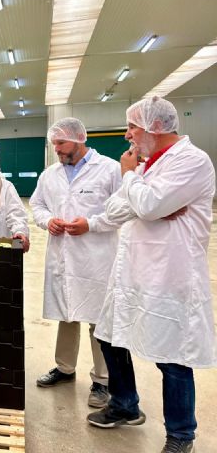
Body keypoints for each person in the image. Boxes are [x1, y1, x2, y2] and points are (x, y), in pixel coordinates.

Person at [88, 97, 216, 453]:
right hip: (132, 272)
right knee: (110, 336)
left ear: (155, 127)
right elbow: (116, 209)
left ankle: (180, 435)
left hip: (168, 275)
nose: (128, 135)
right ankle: (125, 405)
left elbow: (148, 205)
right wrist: (143, 198)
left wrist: (134, 185)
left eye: (133, 127)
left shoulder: (192, 161)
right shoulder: (148, 167)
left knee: (172, 357)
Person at [29, 118, 121, 408]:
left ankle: (102, 381)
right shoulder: (50, 174)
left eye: (61, 143)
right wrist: (47, 221)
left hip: (96, 258)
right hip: (62, 255)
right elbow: (37, 205)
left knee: (98, 321)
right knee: (66, 315)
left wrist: (91, 224)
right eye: (53, 143)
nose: (56, 149)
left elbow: (122, 210)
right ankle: (65, 368)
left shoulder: (109, 169)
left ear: (80, 139)